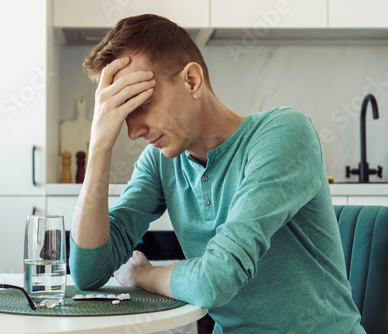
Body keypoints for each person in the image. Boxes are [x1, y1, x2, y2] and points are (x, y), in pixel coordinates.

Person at [69, 14, 365, 333]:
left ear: (192, 81)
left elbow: (216, 280)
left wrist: (143, 274)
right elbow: (89, 274)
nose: (132, 130)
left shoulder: (283, 133)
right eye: (122, 113)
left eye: (140, 103)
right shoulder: (160, 161)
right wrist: (98, 146)